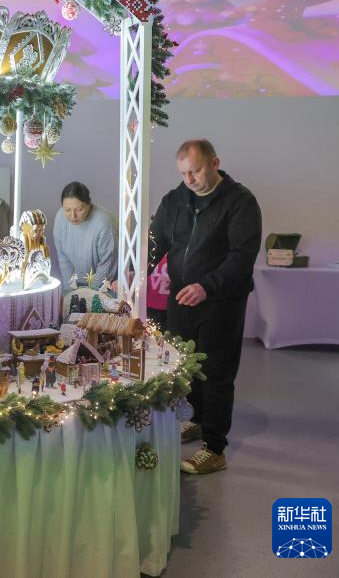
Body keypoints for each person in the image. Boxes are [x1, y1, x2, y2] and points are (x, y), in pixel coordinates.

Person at [149, 139, 261, 475]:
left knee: (216, 373)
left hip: (221, 302)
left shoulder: (240, 202)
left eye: (195, 171)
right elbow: (156, 242)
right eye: (183, 173)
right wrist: (135, 270)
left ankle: (214, 447)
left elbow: (242, 256)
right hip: (181, 298)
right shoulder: (174, 200)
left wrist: (207, 286)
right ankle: (195, 419)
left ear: (215, 163)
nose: (189, 180)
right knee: (185, 365)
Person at [53, 182, 118, 287]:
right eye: (67, 210)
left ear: (89, 204)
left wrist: (91, 293)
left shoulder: (103, 223)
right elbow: (63, 259)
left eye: (79, 210)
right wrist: (71, 290)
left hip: (109, 284)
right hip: (79, 283)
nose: (73, 216)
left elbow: (107, 264)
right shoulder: (60, 218)